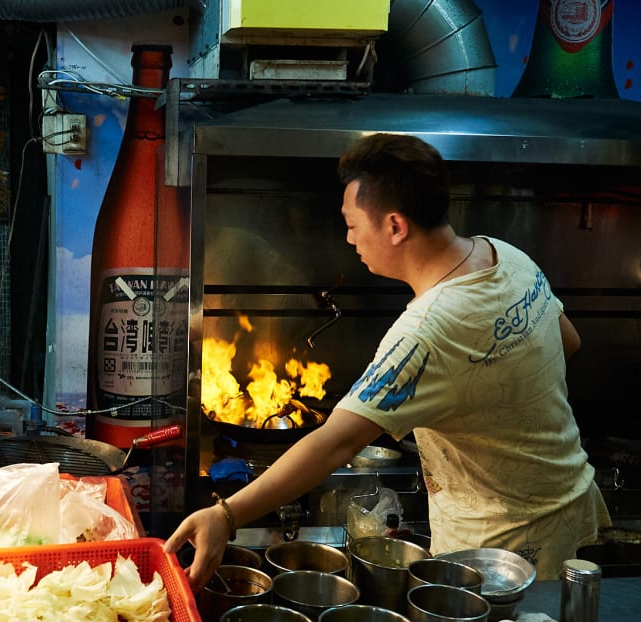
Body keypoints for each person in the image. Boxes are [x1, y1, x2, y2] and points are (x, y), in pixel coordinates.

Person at [165, 133, 610, 591]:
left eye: (353, 223)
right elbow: (567, 341)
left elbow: (335, 444)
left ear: (396, 226)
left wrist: (226, 513)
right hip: (573, 505)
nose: (348, 237)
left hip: (500, 552)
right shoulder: (505, 255)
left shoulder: (425, 332)